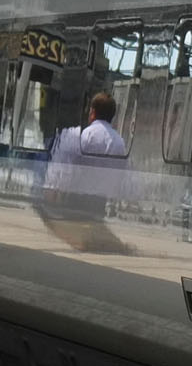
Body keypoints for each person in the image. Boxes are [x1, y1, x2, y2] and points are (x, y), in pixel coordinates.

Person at [37, 89, 131, 253]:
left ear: (92, 112)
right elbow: (120, 173)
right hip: (101, 200)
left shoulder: (83, 135)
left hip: (78, 196)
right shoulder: (119, 142)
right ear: (112, 116)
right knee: (94, 231)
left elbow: (68, 168)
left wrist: (54, 190)